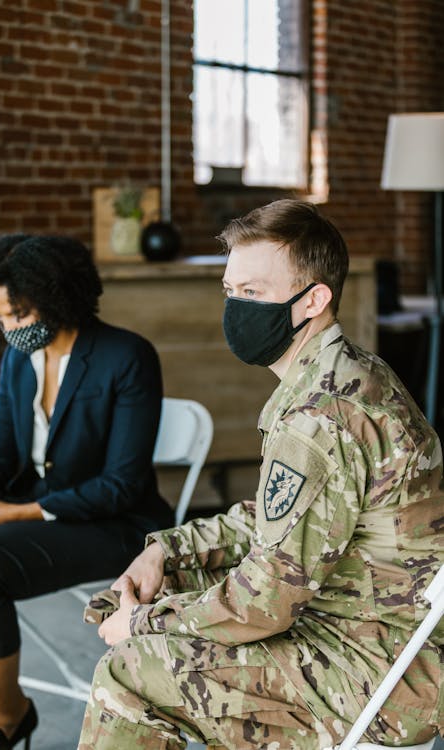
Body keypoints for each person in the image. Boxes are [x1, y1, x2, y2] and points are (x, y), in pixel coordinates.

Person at [78, 200, 443, 750]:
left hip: (380, 669)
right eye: (231, 291)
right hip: (367, 627)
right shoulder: (344, 373)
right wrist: (168, 553)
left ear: (313, 299)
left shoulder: (321, 417)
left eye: (254, 293)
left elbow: (263, 604)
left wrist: (141, 626)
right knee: (174, 593)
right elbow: (280, 525)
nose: (236, 309)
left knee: (133, 670)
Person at [0, 234, 173, 749]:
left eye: (18, 316)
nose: (8, 329)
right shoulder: (17, 361)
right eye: (0, 317)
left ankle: (8, 710)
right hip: (44, 518)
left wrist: (18, 513)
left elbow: (122, 485)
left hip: (117, 526)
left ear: (56, 295)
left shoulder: (127, 356)